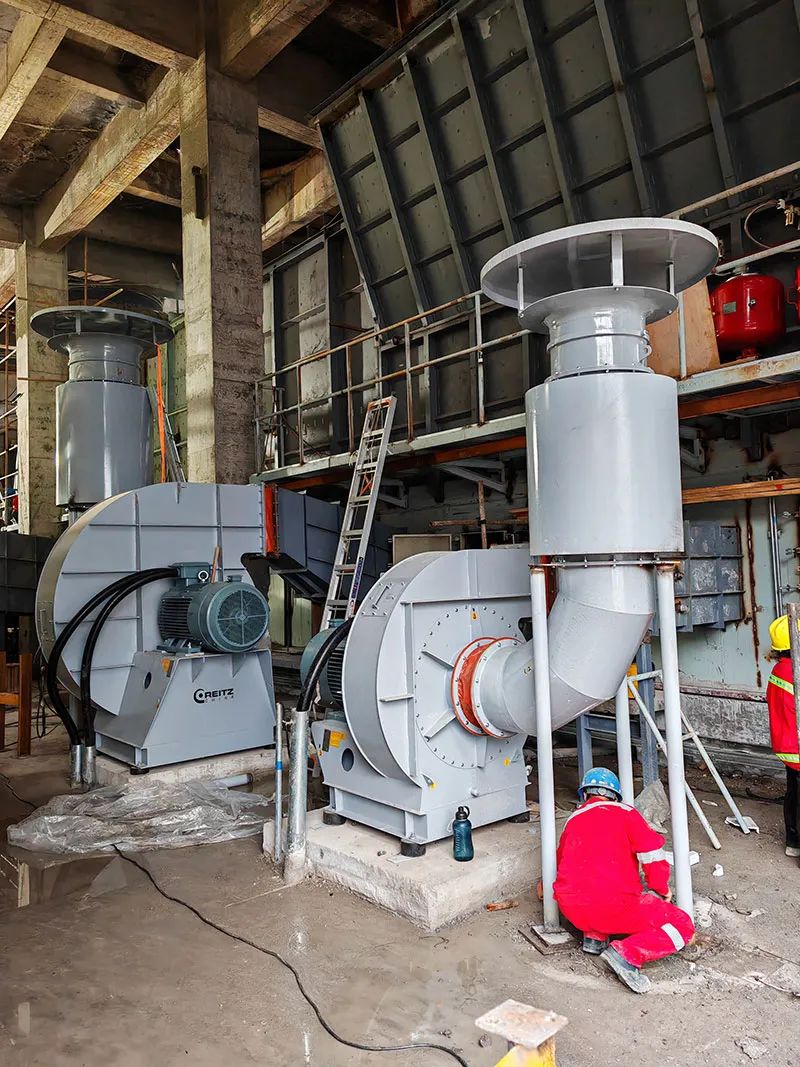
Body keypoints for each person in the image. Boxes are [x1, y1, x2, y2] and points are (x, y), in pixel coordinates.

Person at [554, 767, 695, 994]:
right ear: (615, 795)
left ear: (585, 794)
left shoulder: (573, 820)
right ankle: (627, 954)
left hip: (572, 910)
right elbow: (652, 855)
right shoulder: (626, 813)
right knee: (683, 925)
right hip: (614, 908)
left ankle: (594, 938)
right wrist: (661, 888)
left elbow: (561, 863)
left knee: (595, 892)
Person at [766, 615, 800, 859]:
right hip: (797, 745)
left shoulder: (779, 669)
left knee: (794, 793)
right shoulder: (794, 672)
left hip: (787, 745)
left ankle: (793, 841)